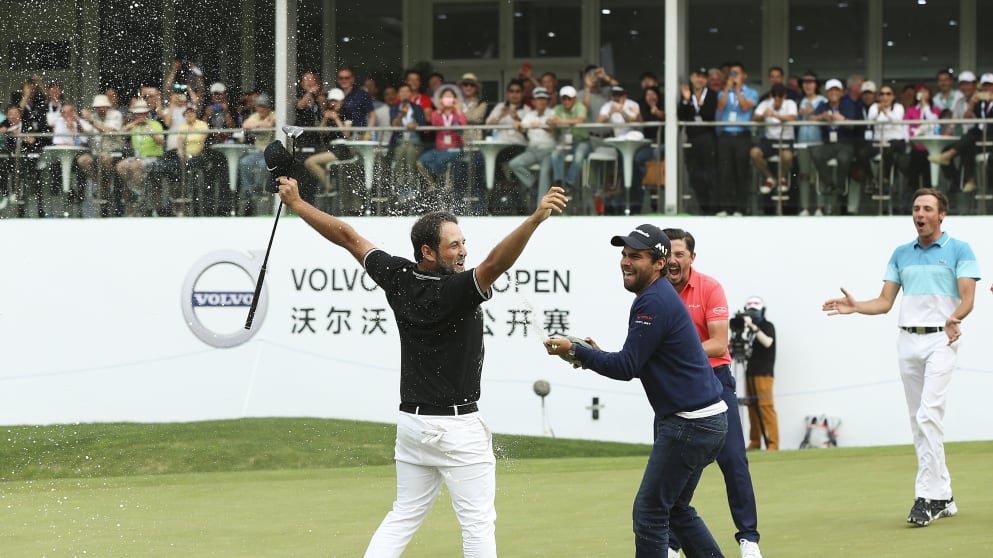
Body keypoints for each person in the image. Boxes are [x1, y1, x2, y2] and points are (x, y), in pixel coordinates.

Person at [274, 166, 568, 556]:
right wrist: (534, 220)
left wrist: (296, 203)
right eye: (453, 246)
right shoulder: (457, 290)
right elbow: (497, 263)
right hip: (456, 428)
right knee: (478, 525)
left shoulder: (397, 276)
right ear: (427, 252)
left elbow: (347, 237)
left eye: (464, 242)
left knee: (404, 515)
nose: (463, 251)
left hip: (413, 425)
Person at [543, 224, 728, 557]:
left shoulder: (652, 302)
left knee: (650, 513)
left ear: (659, 263)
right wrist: (590, 355)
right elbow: (644, 363)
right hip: (706, 420)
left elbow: (627, 367)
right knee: (675, 510)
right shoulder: (658, 297)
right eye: (624, 255)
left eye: (636, 256)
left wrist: (577, 350)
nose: (626, 262)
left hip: (690, 423)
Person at [821, 187, 979, 527]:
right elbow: (884, 302)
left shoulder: (959, 249)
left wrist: (956, 318)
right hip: (907, 341)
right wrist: (856, 306)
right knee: (919, 421)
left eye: (926, 209)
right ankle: (945, 494)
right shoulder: (900, 253)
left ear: (941, 215)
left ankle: (928, 497)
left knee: (927, 416)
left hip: (942, 340)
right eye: (916, 208)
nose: (919, 214)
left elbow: (968, 296)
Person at [662, 228, 764, 558]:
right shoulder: (654, 291)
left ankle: (748, 539)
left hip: (715, 380)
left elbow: (719, 343)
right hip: (675, 387)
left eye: (680, 253)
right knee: (674, 469)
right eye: (669, 254)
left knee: (733, 459)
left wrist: (674, 352)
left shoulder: (709, 287)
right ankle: (673, 542)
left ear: (692, 256)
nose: (674, 260)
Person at [716, 62, 760, 216]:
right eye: (732, 73)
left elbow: (745, 107)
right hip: (726, 135)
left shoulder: (751, 92)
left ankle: (740, 208)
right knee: (725, 171)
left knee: (741, 171)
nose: (734, 76)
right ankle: (725, 207)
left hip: (742, 135)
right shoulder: (724, 92)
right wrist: (728, 89)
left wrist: (738, 90)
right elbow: (720, 107)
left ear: (744, 76)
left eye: (737, 73)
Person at [738, 296, 778, 453]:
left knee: (766, 407)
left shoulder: (767, 326)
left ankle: (773, 443)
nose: (752, 313)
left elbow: (768, 342)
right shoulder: (748, 331)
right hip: (750, 373)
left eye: (755, 310)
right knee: (751, 407)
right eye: (750, 310)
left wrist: (754, 327)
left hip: (764, 373)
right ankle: (755, 441)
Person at [677, 67, 719, 214]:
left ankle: (714, 207)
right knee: (695, 175)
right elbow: (682, 115)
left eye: (703, 77)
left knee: (710, 173)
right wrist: (687, 100)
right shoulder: (686, 94)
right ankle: (703, 207)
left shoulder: (712, 95)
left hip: (708, 138)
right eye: (697, 76)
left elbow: (709, 114)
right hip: (692, 138)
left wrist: (699, 104)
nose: (699, 79)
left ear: (706, 80)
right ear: (691, 77)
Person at [750, 83, 797, 198]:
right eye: (775, 95)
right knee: (754, 153)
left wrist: (775, 115)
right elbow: (754, 118)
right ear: (771, 95)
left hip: (786, 140)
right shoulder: (765, 103)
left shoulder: (790, 103)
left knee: (787, 156)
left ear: (784, 96)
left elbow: (792, 118)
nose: (777, 98)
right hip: (769, 140)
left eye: (780, 95)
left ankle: (782, 178)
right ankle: (770, 178)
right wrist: (763, 116)